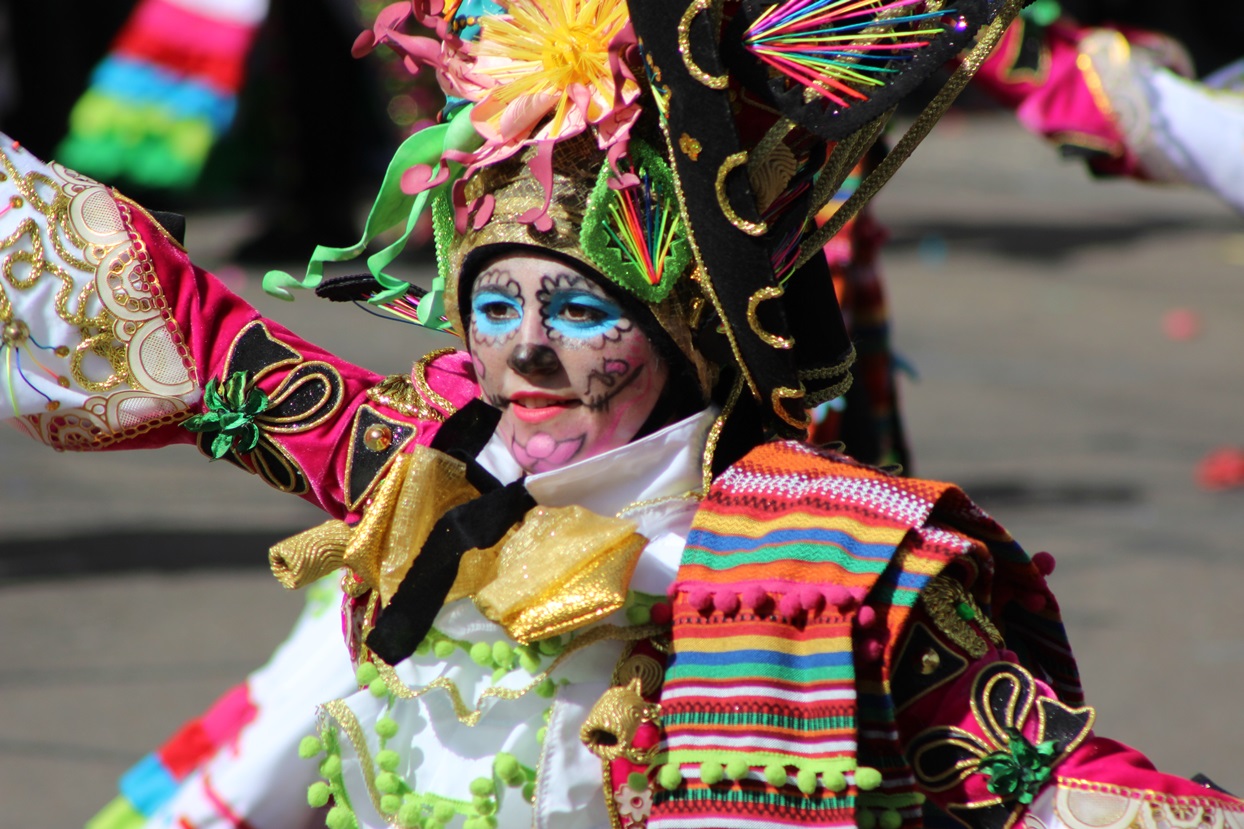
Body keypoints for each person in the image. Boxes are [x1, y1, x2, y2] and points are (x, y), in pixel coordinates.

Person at [3, 2, 1242, 829]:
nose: (527, 349)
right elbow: (178, 333)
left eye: (579, 313)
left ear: (680, 334)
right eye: (495, 306)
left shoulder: (832, 565)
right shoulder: (420, 460)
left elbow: (1053, 789)